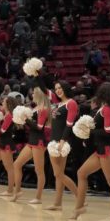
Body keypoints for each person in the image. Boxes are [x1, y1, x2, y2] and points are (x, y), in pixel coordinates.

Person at [72, 83, 110, 221]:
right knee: (81, 173)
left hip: (107, 149)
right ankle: (79, 208)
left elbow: (107, 131)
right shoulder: (106, 108)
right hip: (101, 149)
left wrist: (89, 131)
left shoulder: (107, 109)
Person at [12, 88, 50, 204]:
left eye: (34, 93)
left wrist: (26, 119)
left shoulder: (43, 109)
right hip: (31, 141)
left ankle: (38, 198)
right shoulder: (35, 107)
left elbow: (39, 127)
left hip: (38, 142)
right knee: (17, 164)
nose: (32, 94)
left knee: (39, 170)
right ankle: (17, 191)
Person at [46, 81, 79, 210]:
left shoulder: (71, 103)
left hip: (60, 141)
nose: (58, 90)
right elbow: (43, 89)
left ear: (65, 88)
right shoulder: (58, 104)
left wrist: (62, 141)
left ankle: (80, 198)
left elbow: (69, 125)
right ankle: (58, 204)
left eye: (60, 88)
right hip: (54, 140)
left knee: (58, 174)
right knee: (58, 174)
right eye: (56, 89)